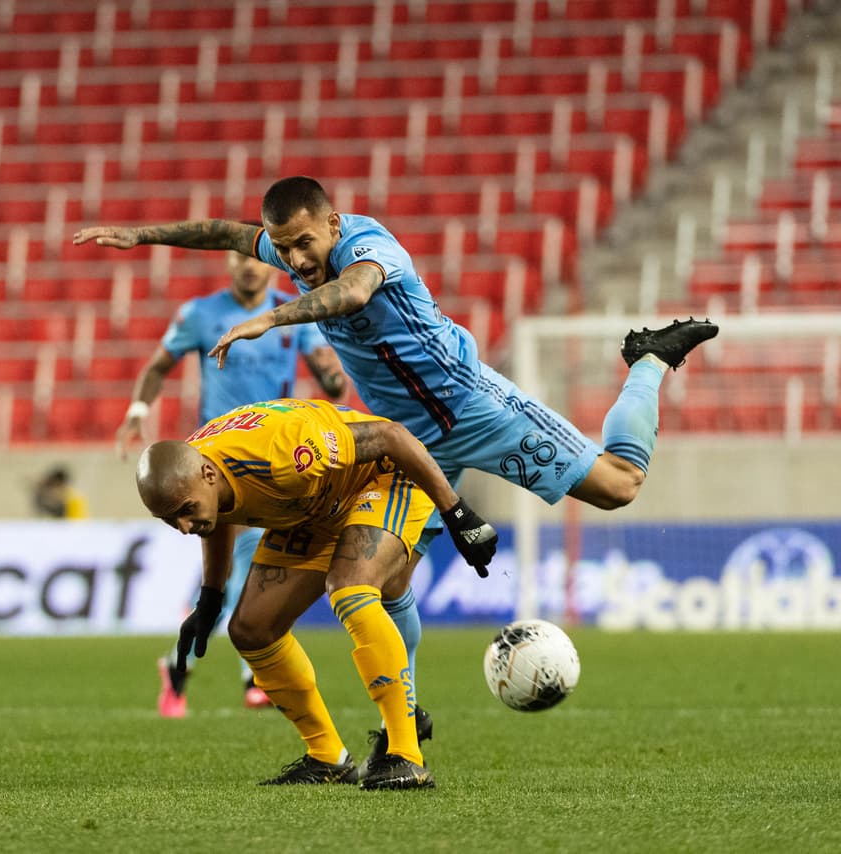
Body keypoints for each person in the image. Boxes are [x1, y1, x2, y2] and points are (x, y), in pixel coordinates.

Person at [74, 174, 718, 764]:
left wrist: (269, 317)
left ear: (331, 224)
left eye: (302, 243)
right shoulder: (289, 247)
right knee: (379, 580)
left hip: (472, 407)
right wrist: (143, 235)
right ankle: (401, 719)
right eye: (282, 248)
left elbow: (352, 293)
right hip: (403, 440)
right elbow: (222, 233)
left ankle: (649, 361)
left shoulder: (369, 247)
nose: (294, 259)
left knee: (618, 487)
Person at [135, 398, 498, 789]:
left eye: (186, 511)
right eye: (170, 519)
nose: (185, 526)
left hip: (383, 478)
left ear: (208, 473)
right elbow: (218, 512)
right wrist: (211, 597)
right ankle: (328, 758)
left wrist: (458, 514)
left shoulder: (285, 454)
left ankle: (406, 754)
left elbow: (391, 436)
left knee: (350, 587)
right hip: (315, 506)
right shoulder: (198, 473)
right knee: (251, 629)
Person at [116, 248, 349, 718]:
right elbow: (159, 365)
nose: (248, 267)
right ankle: (254, 674)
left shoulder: (290, 314)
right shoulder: (201, 315)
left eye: (256, 260)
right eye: (238, 259)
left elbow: (332, 377)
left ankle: (180, 664)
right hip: (216, 464)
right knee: (245, 560)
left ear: (271, 265)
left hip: (275, 457)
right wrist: (138, 412)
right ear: (227, 265)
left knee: (232, 571)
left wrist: (332, 376)